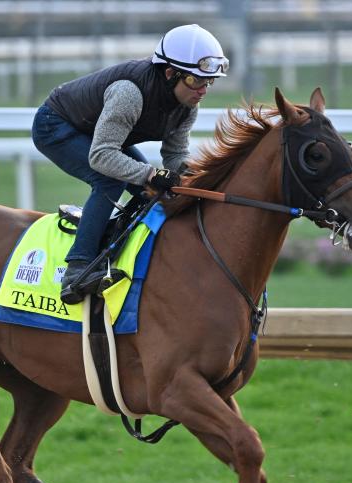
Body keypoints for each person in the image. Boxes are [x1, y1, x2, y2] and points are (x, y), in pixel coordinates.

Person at [31, 24, 229, 304]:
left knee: (157, 193)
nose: (203, 90)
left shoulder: (188, 106)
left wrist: (193, 178)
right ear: (171, 73)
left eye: (209, 82)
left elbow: (174, 156)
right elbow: (101, 156)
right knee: (110, 179)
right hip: (56, 126)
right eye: (197, 81)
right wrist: (150, 173)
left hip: (98, 134)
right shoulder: (129, 93)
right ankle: (78, 267)